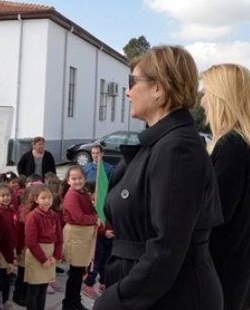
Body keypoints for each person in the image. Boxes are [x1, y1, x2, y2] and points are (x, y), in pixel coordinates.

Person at [94, 46, 223, 309]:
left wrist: (118, 299)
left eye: (133, 82)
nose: (128, 92)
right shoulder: (162, 143)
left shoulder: (177, 149)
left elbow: (167, 247)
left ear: (159, 88)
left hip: (170, 297)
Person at [201, 63, 250, 310]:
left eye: (207, 94)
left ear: (223, 98)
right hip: (238, 273)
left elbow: (213, 217)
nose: (202, 102)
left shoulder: (231, 147)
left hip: (218, 277)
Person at [61, 166, 96, 310]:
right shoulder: (71, 196)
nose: (77, 181)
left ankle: (75, 300)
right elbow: (79, 217)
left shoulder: (82, 193)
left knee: (79, 273)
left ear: (84, 178)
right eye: (74, 178)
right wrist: (96, 218)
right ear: (68, 181)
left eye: (80, 178)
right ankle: (70, 304)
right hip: (76, 236)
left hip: (83, 236)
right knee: (75, 274)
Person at [24, 184, 62, 310]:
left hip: (50, 255)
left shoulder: (55, 216)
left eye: (49, 197)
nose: (47, 201)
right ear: (36, 199)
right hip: (37, 255)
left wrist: (56, 256)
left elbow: (59, 239)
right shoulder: (33, 217)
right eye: (43, 198)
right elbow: (31, 241)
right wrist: (43, 259)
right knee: (34, 288)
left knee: (44, 287)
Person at [0, 184, 17, 310]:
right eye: (2, 195)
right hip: (0, 249)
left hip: (11, 248)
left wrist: (16, 248)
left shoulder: (13, 211)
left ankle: (5, 299)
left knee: (8, 275)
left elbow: (15, 230)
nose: (5, 198)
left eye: (8, 195)